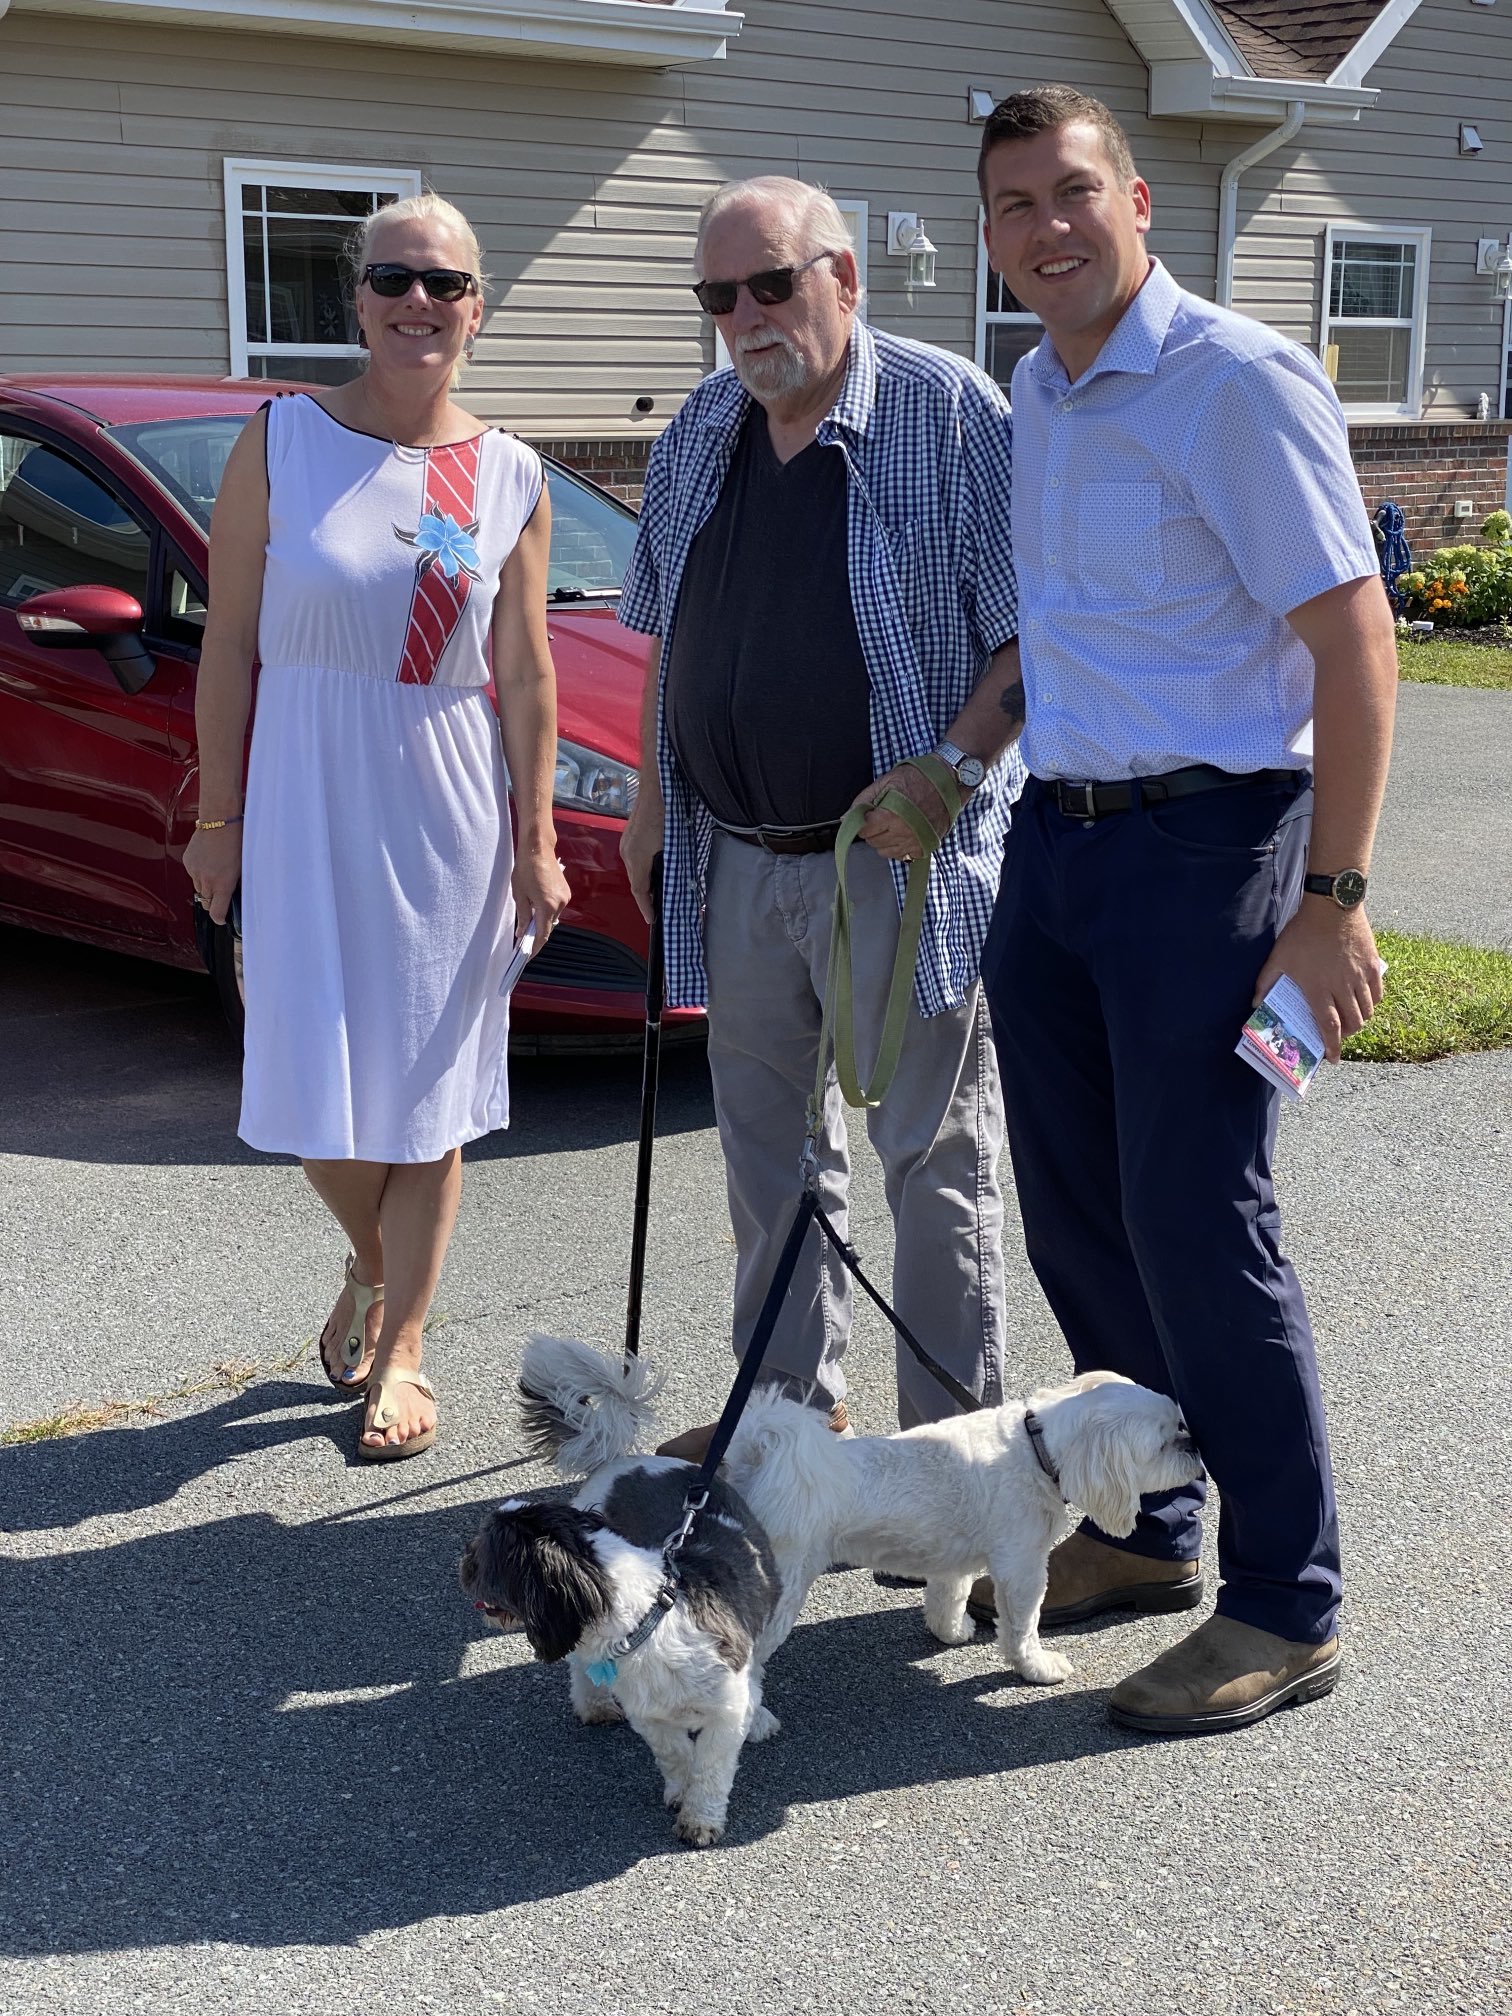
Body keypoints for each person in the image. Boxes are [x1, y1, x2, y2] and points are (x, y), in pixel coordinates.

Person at [973, 88, 1397, 1733]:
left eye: (1072, 190)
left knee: (1198, 1221)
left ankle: (1286, 1602)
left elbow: (1355, 643)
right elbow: (1067, 628)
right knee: (1077, 1211)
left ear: (1137, 199)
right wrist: (961, 763)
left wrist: (1333, 902)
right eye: (1014, 204)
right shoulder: (1037, 387)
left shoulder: (1235, 381)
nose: (1046, 227)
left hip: (1215, 857)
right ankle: (1149, 1528)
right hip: (1059, 848)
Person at [617, 176, 1026, 1453]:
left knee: (931, 1159)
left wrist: (950, 770)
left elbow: (1035, 635)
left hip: (897, 861)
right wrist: (649, 803)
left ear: (844, 278)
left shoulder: (952, 411)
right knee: (766, 1160)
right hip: (735, 853)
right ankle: (788, 1421)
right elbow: (667, 631)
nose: (745, 316)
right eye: (718, 295)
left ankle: (952, 1457)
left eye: (771, 283)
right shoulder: (703, 425)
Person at [184, 193, 569, 1462]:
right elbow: (228, 644)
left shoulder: (509, 473)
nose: (419, 301)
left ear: (478, 309)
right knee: (306, 1085)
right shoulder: (281, 441)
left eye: (444, 283)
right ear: (356, 300)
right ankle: (373, 1260)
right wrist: (220, 814)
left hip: (446, 812)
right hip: (302, 798)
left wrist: (537, 840)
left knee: (430, 1094)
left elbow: (526, 675)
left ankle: (403, 1344)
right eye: (394, 278)